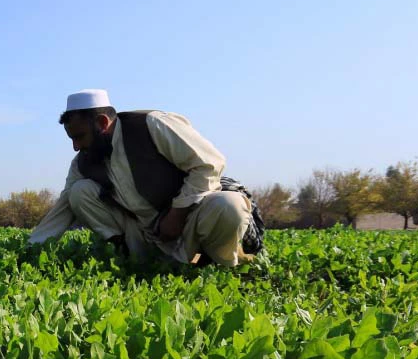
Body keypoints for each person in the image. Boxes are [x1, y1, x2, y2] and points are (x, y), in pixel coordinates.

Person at [28, 89, 263, 267]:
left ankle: (217, 264)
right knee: (79, 192)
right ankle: (133, 256)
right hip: (145, 234)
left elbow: (209, 163)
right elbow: (64, 207)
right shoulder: (84, 161)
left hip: (188, 220)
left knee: (228, 205)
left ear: (102, 123)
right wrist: (30, 249)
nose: (75, 147)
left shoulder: (152, 124)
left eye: (79, 136)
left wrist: (177, 213)